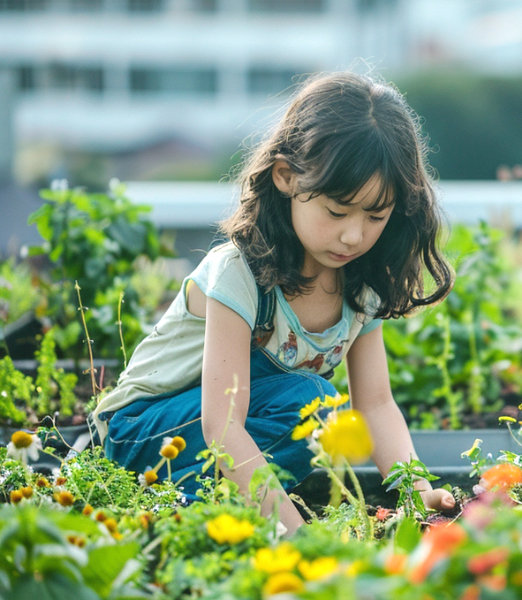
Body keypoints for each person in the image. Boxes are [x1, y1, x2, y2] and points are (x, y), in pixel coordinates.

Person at [91, 72, 456, 532]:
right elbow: (221, 426)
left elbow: (377, 405)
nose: (353, 235)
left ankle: (213, 507)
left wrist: (419, 495)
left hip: (218, 440)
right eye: (337, 211)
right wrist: (298, 536)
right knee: (315, 405)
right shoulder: (239, 273)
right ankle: (188, 510)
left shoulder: (360, 287)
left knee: (319, 410)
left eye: (375, 216)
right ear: (286, 177)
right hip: (143, 432)